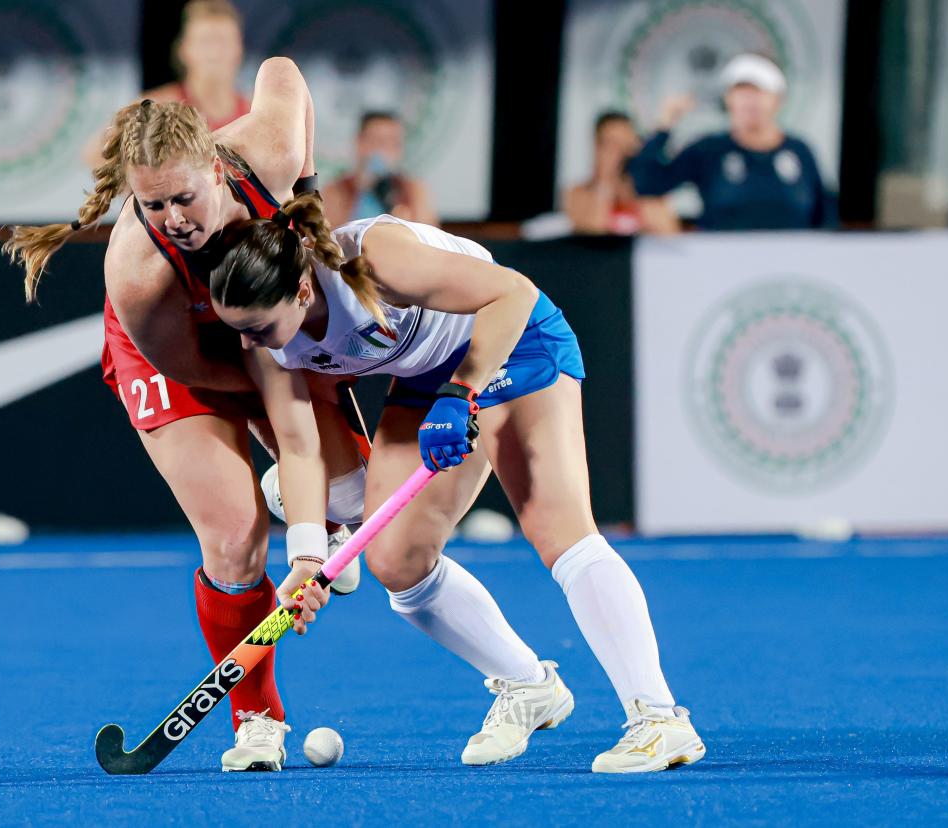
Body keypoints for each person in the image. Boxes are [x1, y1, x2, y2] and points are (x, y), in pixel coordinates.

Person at [205, 195, 707, 773]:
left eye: (258, 327)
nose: (249, 342)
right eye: (236, 329)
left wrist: (463, 390)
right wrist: (306, 557)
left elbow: (511, 292)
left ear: (300, 292)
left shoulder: (374, 258)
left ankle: (660, 719)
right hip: (430, 375)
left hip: (512, 338)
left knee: (557, 528)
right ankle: (529, 684)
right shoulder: (268, 342)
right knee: (397, 560)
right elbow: (297, 445)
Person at [5, 59, 365, 773]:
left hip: (256, 321)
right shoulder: (138, 268)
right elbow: (197, 370)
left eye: (183, 198)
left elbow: (283, 72)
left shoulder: (267, 153)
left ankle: (309, 506)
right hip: (177, 359)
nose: (173, 218)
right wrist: (280, 424)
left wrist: (308, 191)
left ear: (216, 165)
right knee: (234, 536)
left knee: (356, 493)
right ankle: (256, 719)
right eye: (153, 203)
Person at [628, 53, 836, 230]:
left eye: (759, 91)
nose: (749, 101)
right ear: (727, 98)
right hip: (723, 270)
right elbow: (646, 184)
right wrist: (664, 126)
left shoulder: (800, 152)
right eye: (740, 91)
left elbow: (824, 216)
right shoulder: (709, 150)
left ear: (778, 99)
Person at [82, 0, 251, 169]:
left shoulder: (254, 114)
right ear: (184, 50)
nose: (214, 53)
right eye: (205, 42)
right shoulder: (155, 107)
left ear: (239, 49)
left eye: (223, 42)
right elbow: (96, 154)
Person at [562, 111, 679, 235]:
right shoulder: (577, 193)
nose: (621, 153)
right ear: (598, 148)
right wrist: (605, 181)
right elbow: (593, 231)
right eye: (612, 144)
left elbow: (669, 232)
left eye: (627, 144)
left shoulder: (650, 194)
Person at [320, 112, 438, 228]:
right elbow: (327, 237)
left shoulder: (413, 191)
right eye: (377, 141)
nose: (384, 149)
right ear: (359, 142)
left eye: (393, 142)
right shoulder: (336, 191)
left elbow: (428, 237)